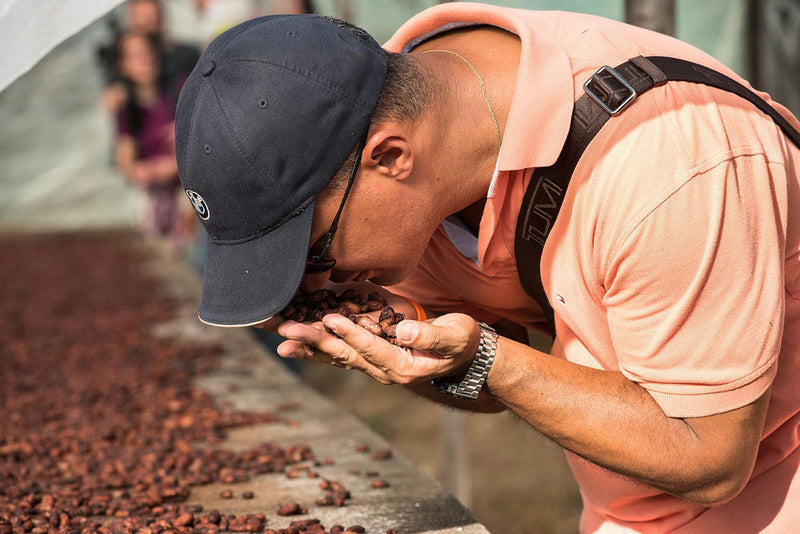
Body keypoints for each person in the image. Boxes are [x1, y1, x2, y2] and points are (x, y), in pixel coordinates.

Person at [173, 4, 800, 533]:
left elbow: (707, 453)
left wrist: (486, 364)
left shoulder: (674, 165)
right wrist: (423, 349)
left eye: (314, 253)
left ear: (391, 157)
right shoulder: (406, 123)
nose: (317, 286)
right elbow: (502, 366)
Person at [115, 31, 185, 247]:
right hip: (155, 196)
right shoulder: (126, 108)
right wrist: (144, 171)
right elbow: (125, 160)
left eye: (146, 52)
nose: (144, 60)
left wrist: (175, 164)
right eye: (135, 56)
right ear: (124, 65)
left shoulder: (180, 89)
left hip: (187, 191)